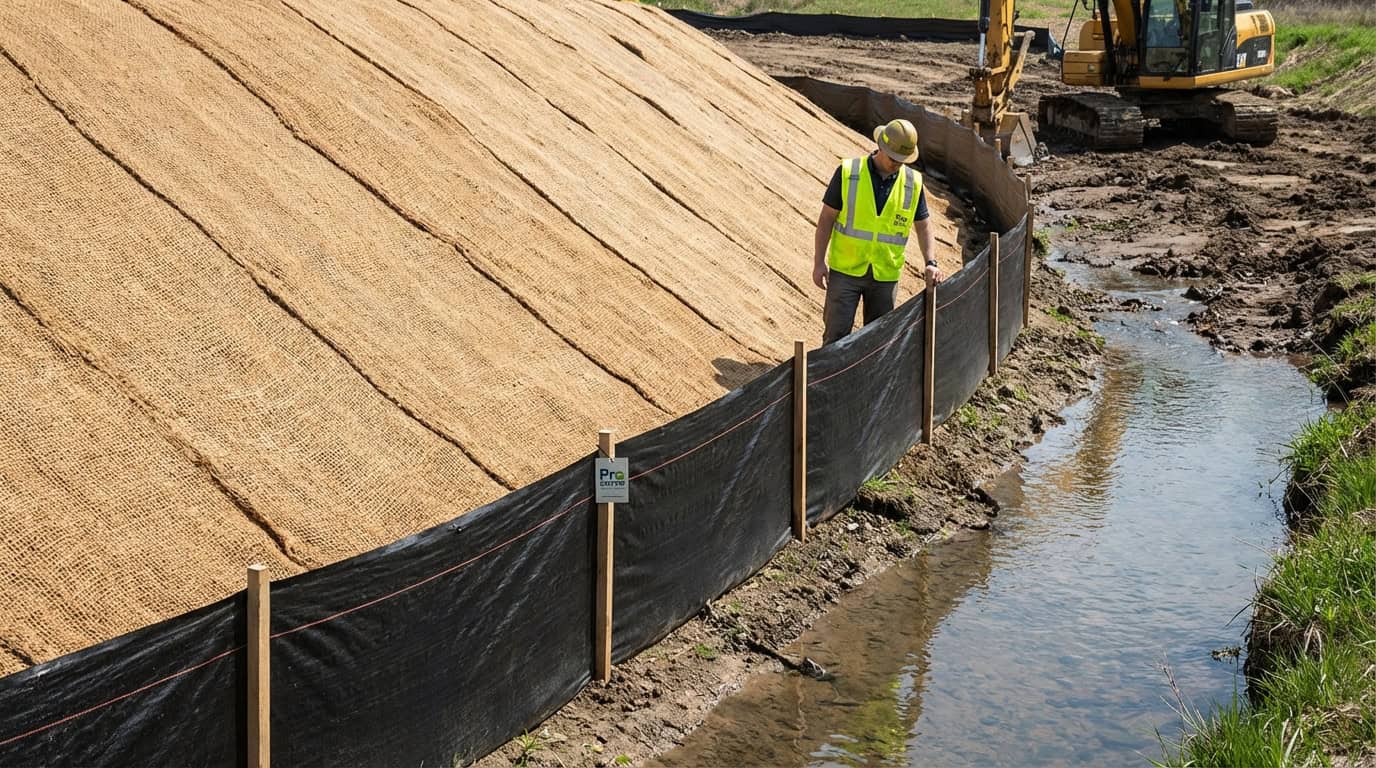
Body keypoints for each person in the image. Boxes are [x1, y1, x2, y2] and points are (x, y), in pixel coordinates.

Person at [812, 118, 943, 345]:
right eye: (894, 159)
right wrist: (819, 262)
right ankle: (827, 381)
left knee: (876, 342)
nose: (898, 164)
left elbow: (923, 226)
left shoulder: (913, 182)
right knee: (835, 336)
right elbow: (826, 219)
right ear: (881, 147)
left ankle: (867, 381)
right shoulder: (848, 172)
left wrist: (930, 261)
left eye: (903, 160)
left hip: (885, 275)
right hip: (846, 271)